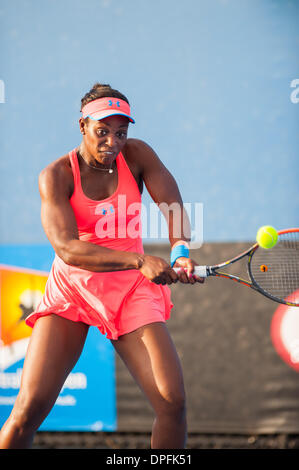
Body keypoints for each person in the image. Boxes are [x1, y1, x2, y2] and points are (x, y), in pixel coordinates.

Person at [0, 83, 203, 449]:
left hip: (131, 292)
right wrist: (139, 260)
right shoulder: (56, 175)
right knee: (28, 410)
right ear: (82, 126)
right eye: (102, 131)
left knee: (173, 403)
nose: (113, 141)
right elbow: (67, 249)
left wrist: (180, 251)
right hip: (73, 291)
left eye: (121, 132)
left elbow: (172, 205)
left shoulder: (138, 155)